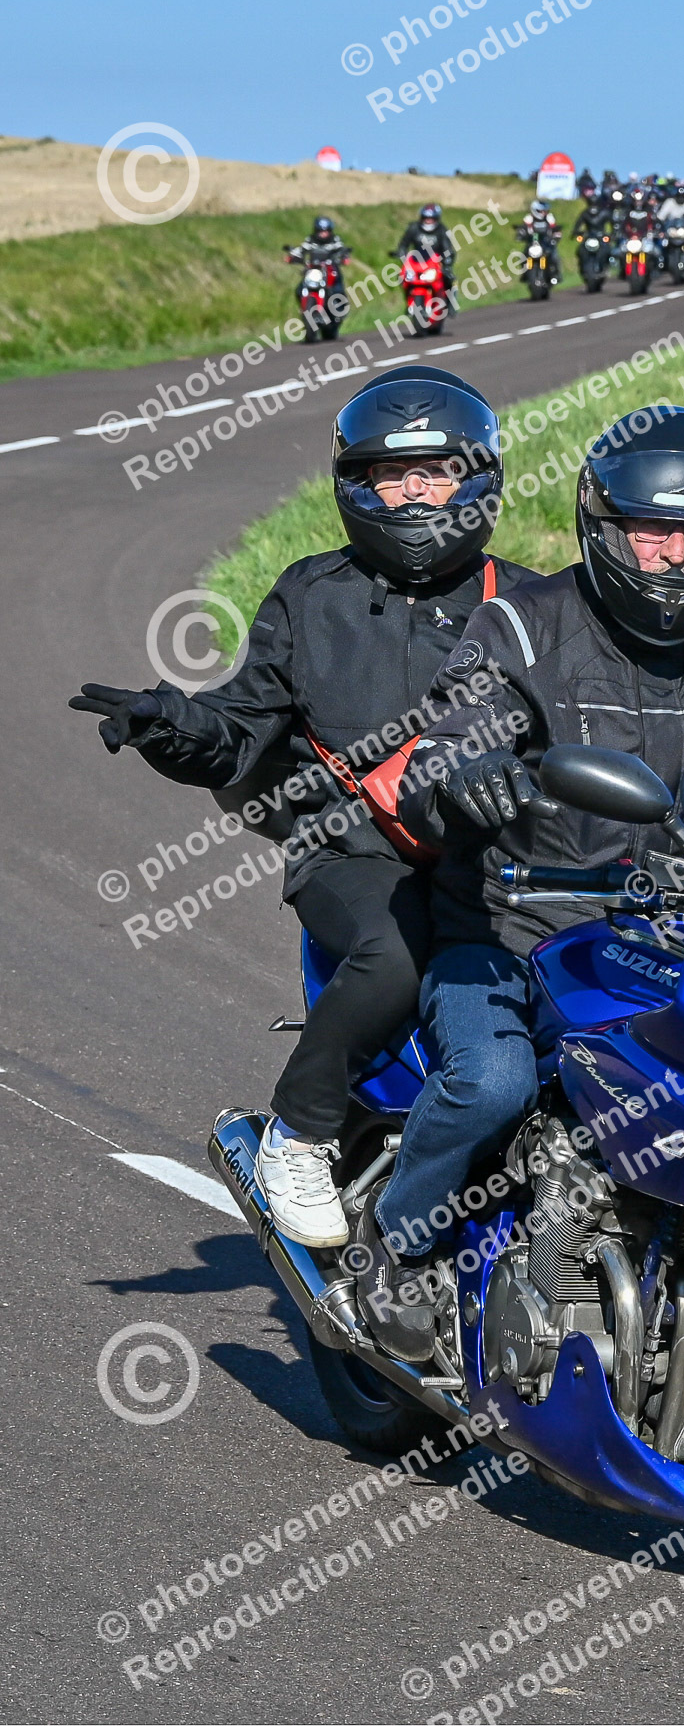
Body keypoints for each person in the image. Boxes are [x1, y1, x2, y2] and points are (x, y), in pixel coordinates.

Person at [351, 408, 684, 1355]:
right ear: (603, 523)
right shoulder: (521, 627)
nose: (678, 555)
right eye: (655, 529)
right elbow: (439, 752)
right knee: (494, 1082)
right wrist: (465, 775)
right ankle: (395, 1248)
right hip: (513, 931)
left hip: (676, 946)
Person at [70, 366, 537, 1250]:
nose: (413, 493)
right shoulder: (311, 596)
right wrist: (169, 722)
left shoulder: (529, 603)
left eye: (434, 473)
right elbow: (239, 727)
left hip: (497, 860)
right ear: (355, 485)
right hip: (352, 851)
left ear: (476, 479)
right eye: (389, 475)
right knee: (397, 949)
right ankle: (299, 1129)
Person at [396, 203, 455, 289]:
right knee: (402, 276)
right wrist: (401, 254)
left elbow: (447, 248)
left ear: (436, 218)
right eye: (426, 218)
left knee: (448, 279)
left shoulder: (441, 230)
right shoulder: (414, 227)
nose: (428, 221)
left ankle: (448, 295)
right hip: (416, 262)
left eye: (431, 218)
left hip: (435, 263)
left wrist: (446, 263)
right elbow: (404, 244)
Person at [515, 198, 561, 283]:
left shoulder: (549, 218)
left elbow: (555, 229)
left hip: (546, 242)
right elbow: (523, 228)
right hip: (533, 243)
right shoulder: (529, 218)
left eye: (544, 211)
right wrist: (520, 235)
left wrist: (556, 236)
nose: (543, 213)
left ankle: (555, 274)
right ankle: (525, 274)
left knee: (554, 257)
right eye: (540, 211)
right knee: (524, 256)